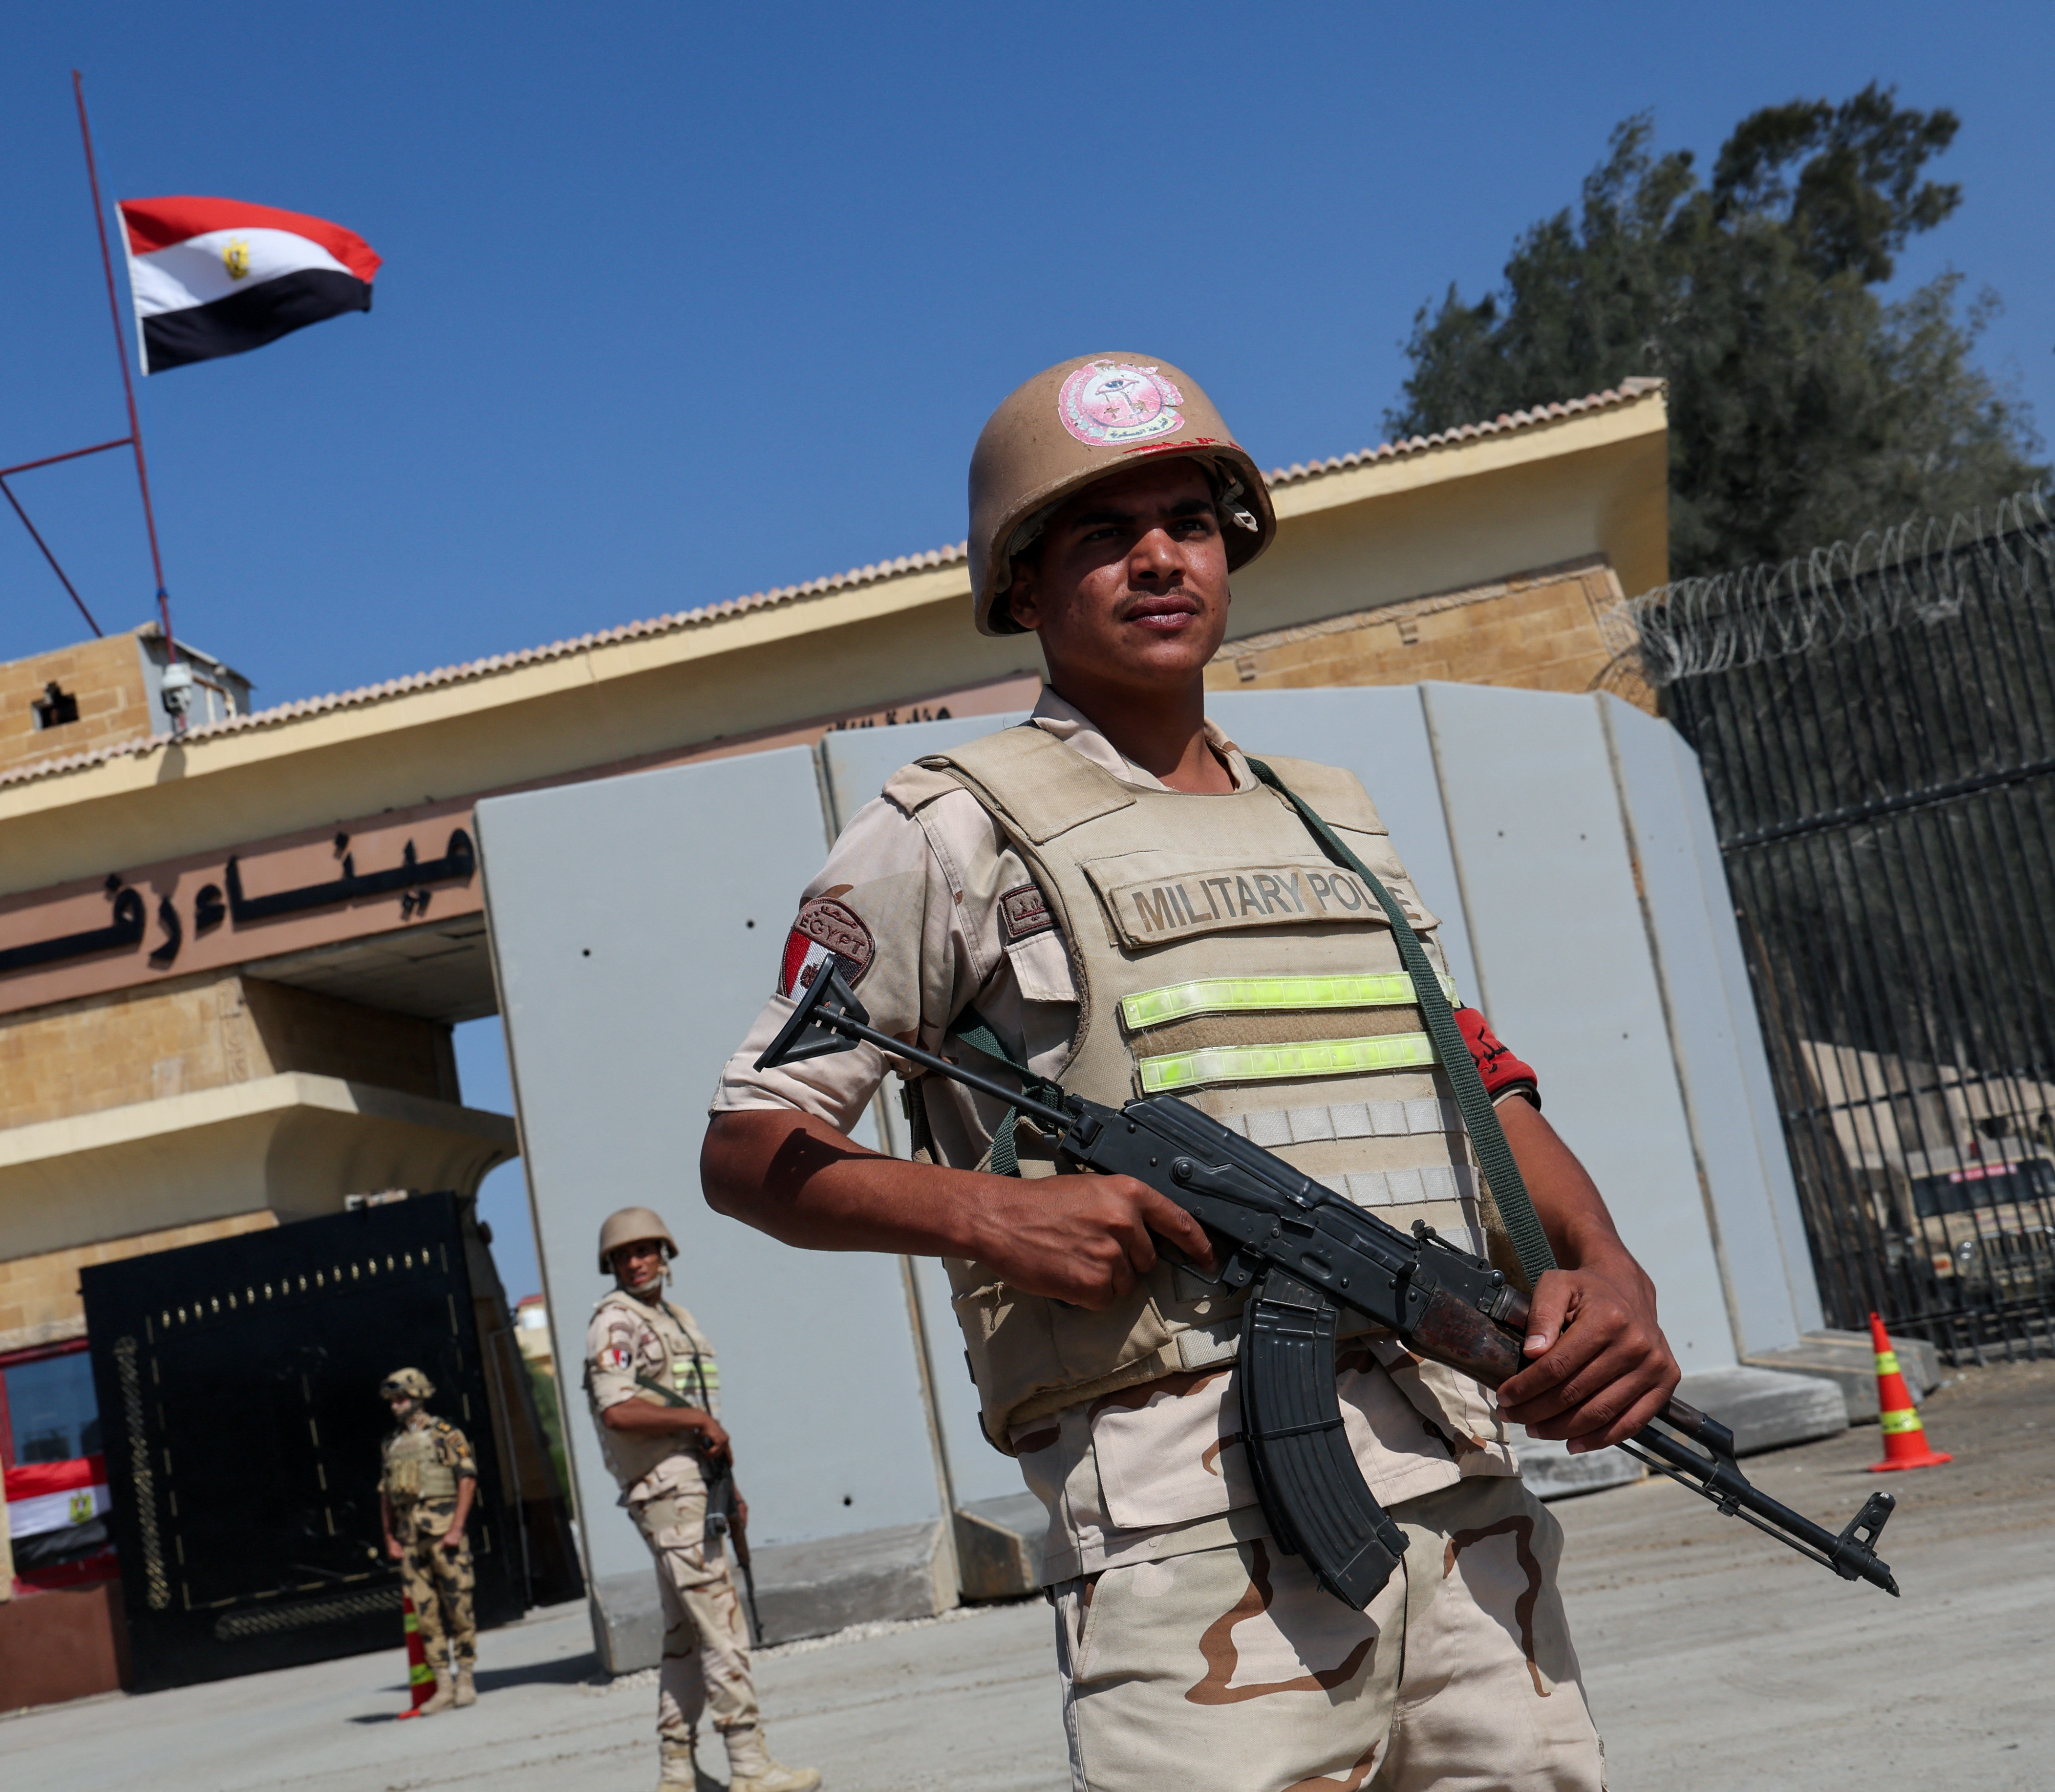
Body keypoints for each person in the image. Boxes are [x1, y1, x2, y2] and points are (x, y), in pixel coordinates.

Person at [701, 353, 1682, 1791]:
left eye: (1191, 519)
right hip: (1190, 1516)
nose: (1160, 554)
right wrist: (987, 1213)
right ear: (1023, 585)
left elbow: (1475, 1080)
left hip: (1461, 1481)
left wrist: (1604, 1260)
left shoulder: (1331, 821)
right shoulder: (946, 832)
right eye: (1104, 529)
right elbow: (751, 1141)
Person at [584, 1205, 820, 1792]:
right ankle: (750, 1765)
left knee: (685, 1638)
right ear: (611, 1265)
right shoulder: (615, 1322)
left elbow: (704, 1421)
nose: (636, 1262)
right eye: (623, 1255)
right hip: (667, 1491)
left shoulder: (674, 1317)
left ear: (665, 1254)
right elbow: (617, 1409)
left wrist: (729, 1489)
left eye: (645, 1250)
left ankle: (675, 1771)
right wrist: (694, 1420)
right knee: (722, 1628)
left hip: (696, 1485)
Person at [379, 1366, 479, 1712]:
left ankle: (465, 1677)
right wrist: (390, 1537)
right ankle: (444, 1684)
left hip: (443, 1533)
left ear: (419, 1397)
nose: (395, 1405)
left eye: (402, 1398)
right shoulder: (392, 1444)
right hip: (411, 1539)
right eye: (392, 1400)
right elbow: (386, 1493)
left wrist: (457, 1528)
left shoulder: (446, 1434)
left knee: (459, 1607)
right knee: (427, 1614)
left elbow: (467, 1479)